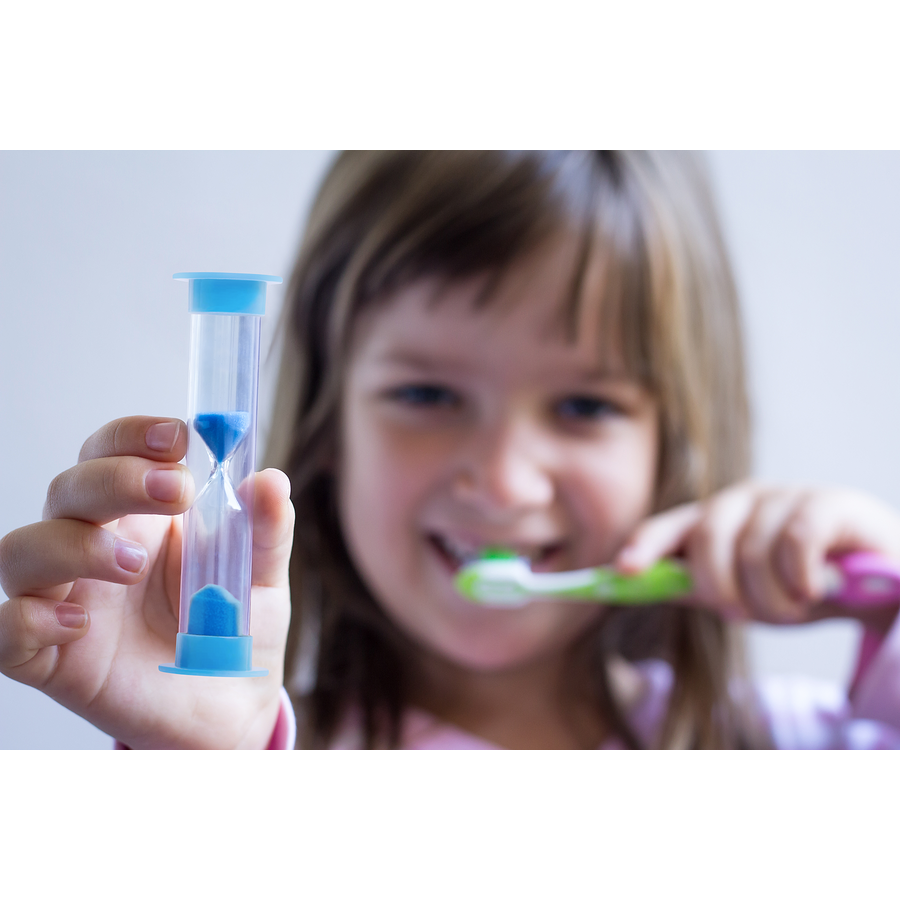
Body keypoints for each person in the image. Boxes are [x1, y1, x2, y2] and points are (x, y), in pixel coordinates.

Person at [4, 150, 900, 750]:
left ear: (675, 447)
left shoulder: (789, 734)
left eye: (585, 404)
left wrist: (889, 601)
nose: (504, 483)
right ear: (326, 431)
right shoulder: (248, 734)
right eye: (427, 395)